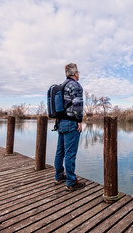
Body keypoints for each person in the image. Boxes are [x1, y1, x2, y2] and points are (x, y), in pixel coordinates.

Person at [54, 63, 85, 191]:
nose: (79, 74)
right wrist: (79, 120)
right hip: (71, 123)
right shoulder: (75, 85)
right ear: (74, 73)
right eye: (78, 72)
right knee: (70, 154)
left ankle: (59, 176)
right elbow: (78, 104)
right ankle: (71, 182)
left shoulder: (62, 85)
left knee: (60, 151)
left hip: (61, 122)